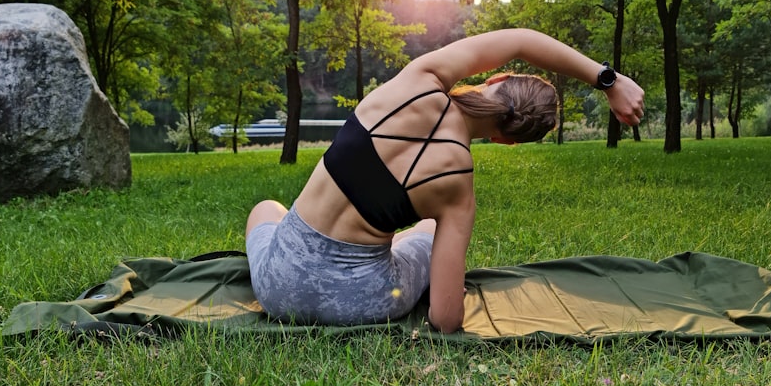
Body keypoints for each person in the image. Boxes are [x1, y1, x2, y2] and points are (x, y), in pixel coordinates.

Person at [245, 28, 645, 333]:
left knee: (267, 208)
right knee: (423, 230)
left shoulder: (420, 78)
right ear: (507, 141)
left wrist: (608, 80)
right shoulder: (458, 186)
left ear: (493, 80)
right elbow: (445, 317)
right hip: (362, 303)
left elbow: (522, 39)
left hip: (279, 289)